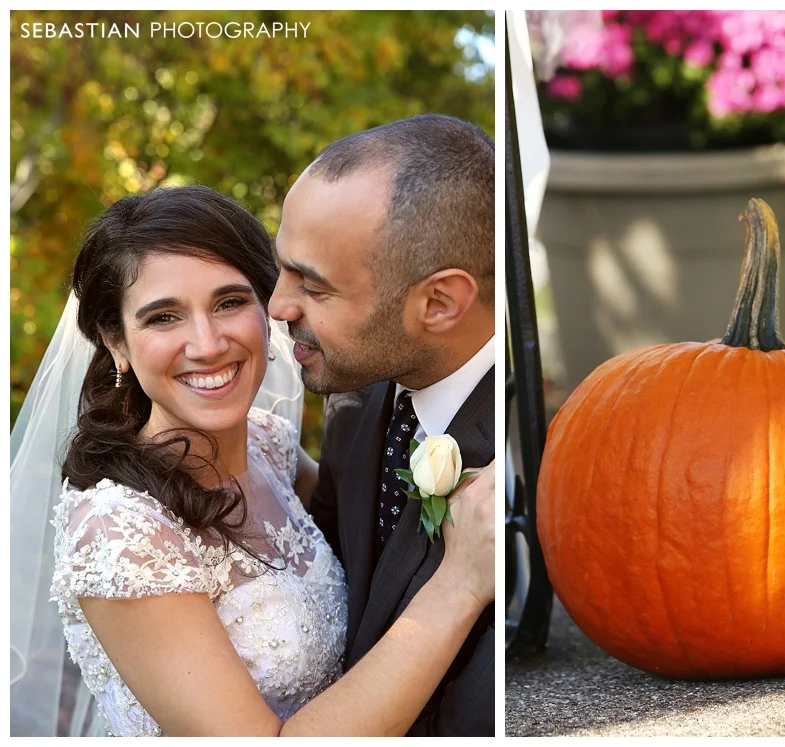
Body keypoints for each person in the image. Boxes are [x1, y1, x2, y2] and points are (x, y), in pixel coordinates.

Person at [9, 185, 495, 737]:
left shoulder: (272, 445)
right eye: (164, 318)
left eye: (229, 302)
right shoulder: (119, 533)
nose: (208, 343)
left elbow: (376, 531)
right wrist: (460, 584)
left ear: (270, 310)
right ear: (116, 342)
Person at [268, 113, 496, 736]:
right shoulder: (356, 397)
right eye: (281, 266)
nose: (278, 306)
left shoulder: (519, 460)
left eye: (313, 287)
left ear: (440, 303)